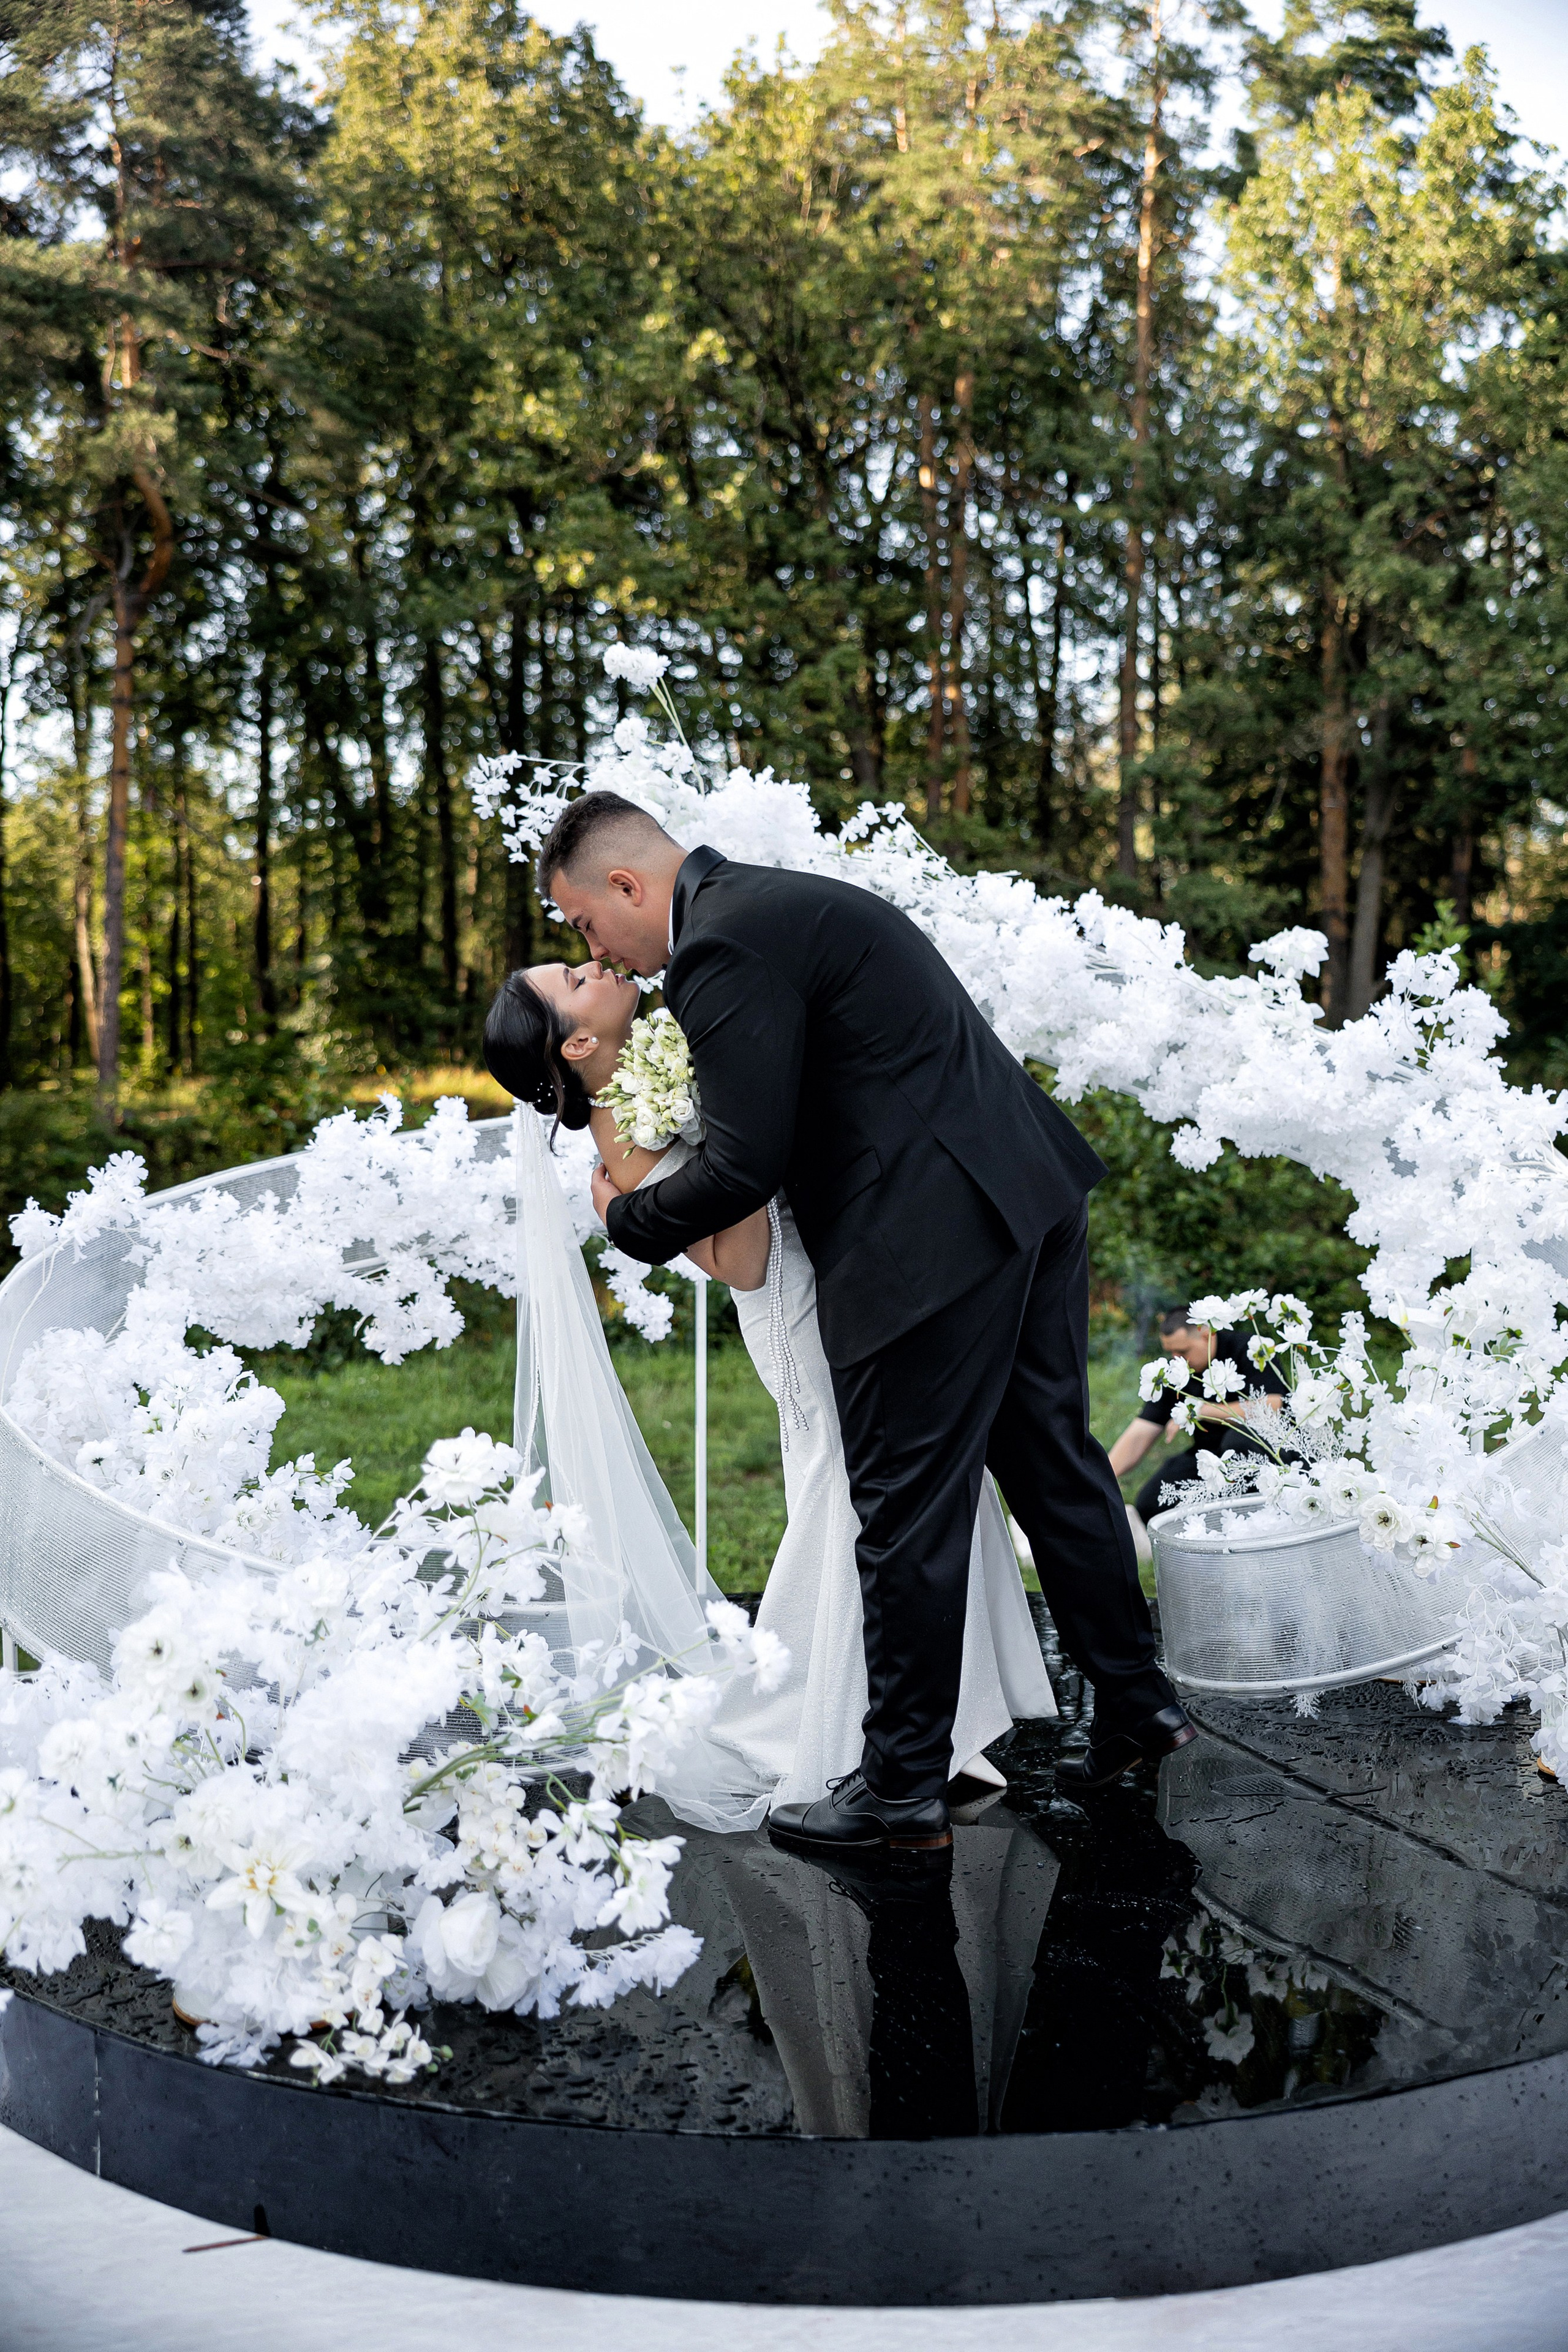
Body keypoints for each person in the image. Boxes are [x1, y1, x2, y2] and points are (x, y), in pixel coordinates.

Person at [533, 788, 1194, 1846]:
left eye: (583, 923)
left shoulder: (718, 950)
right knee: (1052, 1461)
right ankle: (1137, 1700)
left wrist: (629, 1222)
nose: (595, 949)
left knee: (901, 1509)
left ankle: (899, 1786)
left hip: (929, 1238)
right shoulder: (777, 903)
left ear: (625, 884)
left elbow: (746, 1164)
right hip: (1022, 1184)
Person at [483, 962, 1055, 1833]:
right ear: (578, 1042)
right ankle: (826, 1724)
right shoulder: (620, 1127)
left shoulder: (660, 1055)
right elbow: (740, 1262)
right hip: (795, 1303)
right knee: (857, 1491)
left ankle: (933, 1720)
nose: (594, 963)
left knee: (923, 1473)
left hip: (843, 1265)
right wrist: (733, 1149)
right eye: (573, 976)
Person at [1107, 1308, 1289, 1530]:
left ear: (1206, 1334)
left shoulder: (1249, 1348)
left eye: (1183, 1352)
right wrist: (1100, 1476)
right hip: (1209, 1455)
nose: (1177, 1359)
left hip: (1267, 1451)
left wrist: (1199, 1410)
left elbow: (1272, 1405)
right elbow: (1141, 1432)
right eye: (1171, 1353)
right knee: (1151, 1504)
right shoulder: (1176, 1372)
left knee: (1236, 1442)